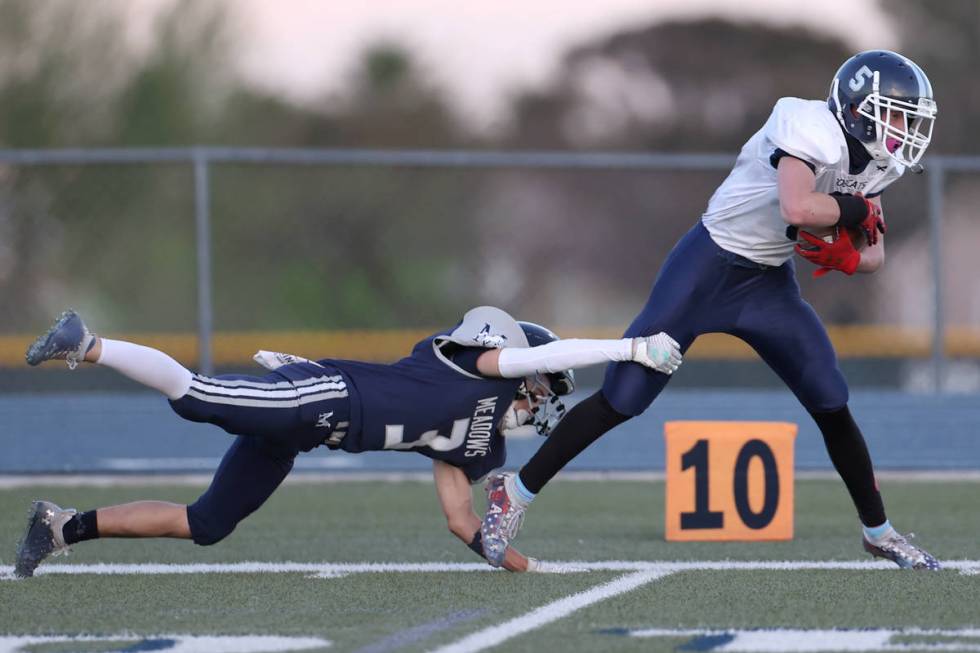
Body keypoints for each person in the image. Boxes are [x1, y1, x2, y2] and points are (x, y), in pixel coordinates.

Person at [481, 50, 941, 570]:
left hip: (767, 283)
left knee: (830, 397)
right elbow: (798, 208)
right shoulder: (809, 124)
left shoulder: (878, 159)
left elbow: (874, 252)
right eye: (897, 114)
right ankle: (513, 493)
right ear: (859, 107)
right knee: (623, 397)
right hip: (707, 267)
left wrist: (850, 258)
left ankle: (878, 532)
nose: (904, 128)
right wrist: (852, 212)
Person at [14, 306, 681, 578]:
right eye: (543, 384)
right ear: (518, 360)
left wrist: (524, 564)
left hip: (309, 433)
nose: (541, 398)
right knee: (199, 398)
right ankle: (88, 341)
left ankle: (61, 525)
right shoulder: (476, 364)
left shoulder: (480, 446)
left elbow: (459, 520)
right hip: (323, 397)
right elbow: (552, 353)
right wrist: (633, 348)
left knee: (209, 522)